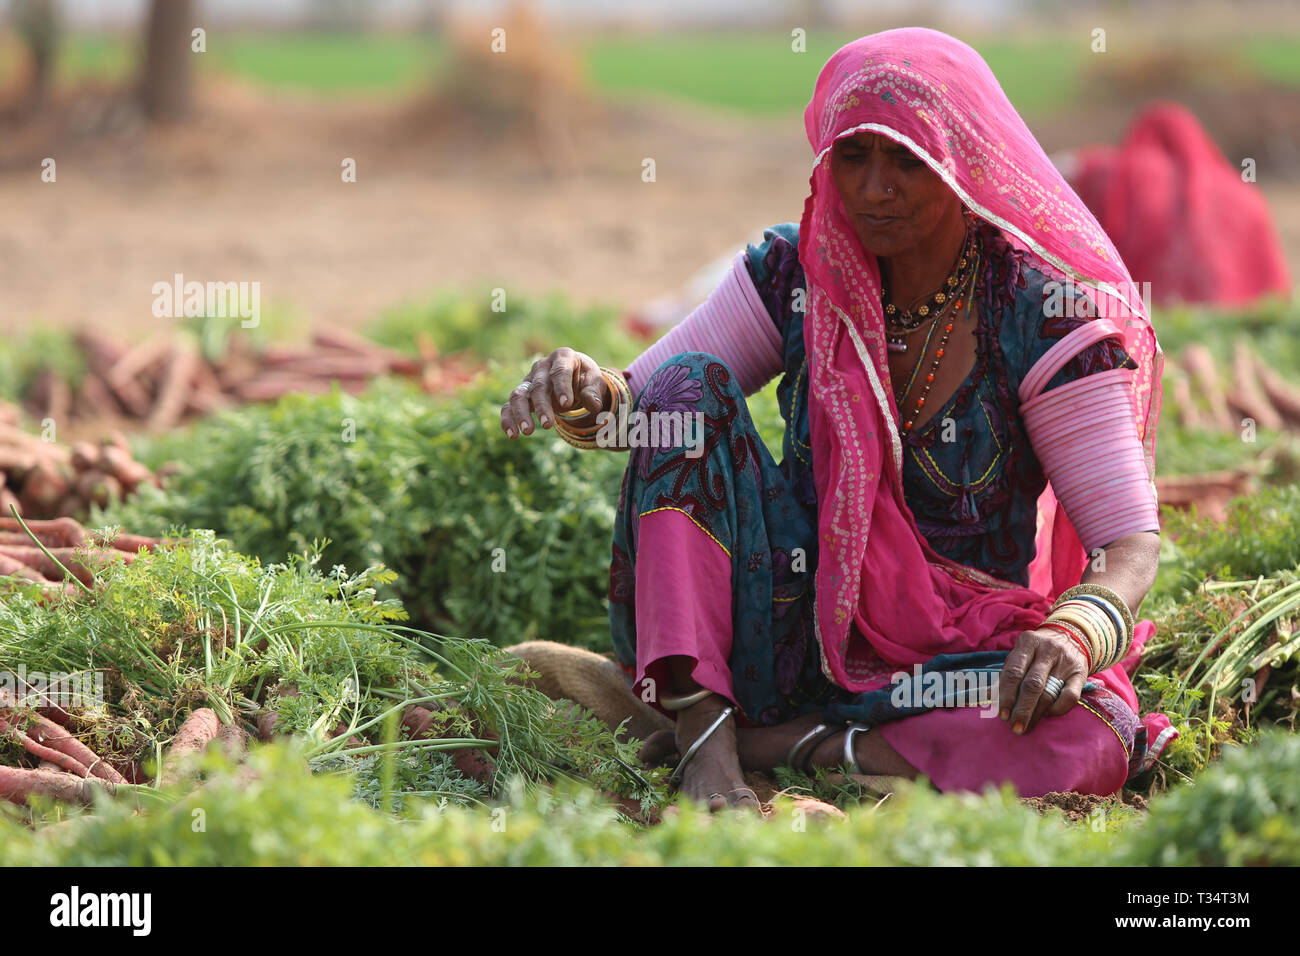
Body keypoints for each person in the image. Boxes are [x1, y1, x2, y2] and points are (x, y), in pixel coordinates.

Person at [501, 28, 1174, 811]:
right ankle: (709, 746)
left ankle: (791, 745)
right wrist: (585, 393)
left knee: (1089, 731)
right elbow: (641, 415)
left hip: (948, 659)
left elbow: (1127, 540)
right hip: (789, 631)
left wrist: (1072, 634)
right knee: (687, 393)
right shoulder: (798, 276)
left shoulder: (1041, 319)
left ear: (961, 161)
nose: (874, 189)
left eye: (905, 162)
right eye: (852, 159)